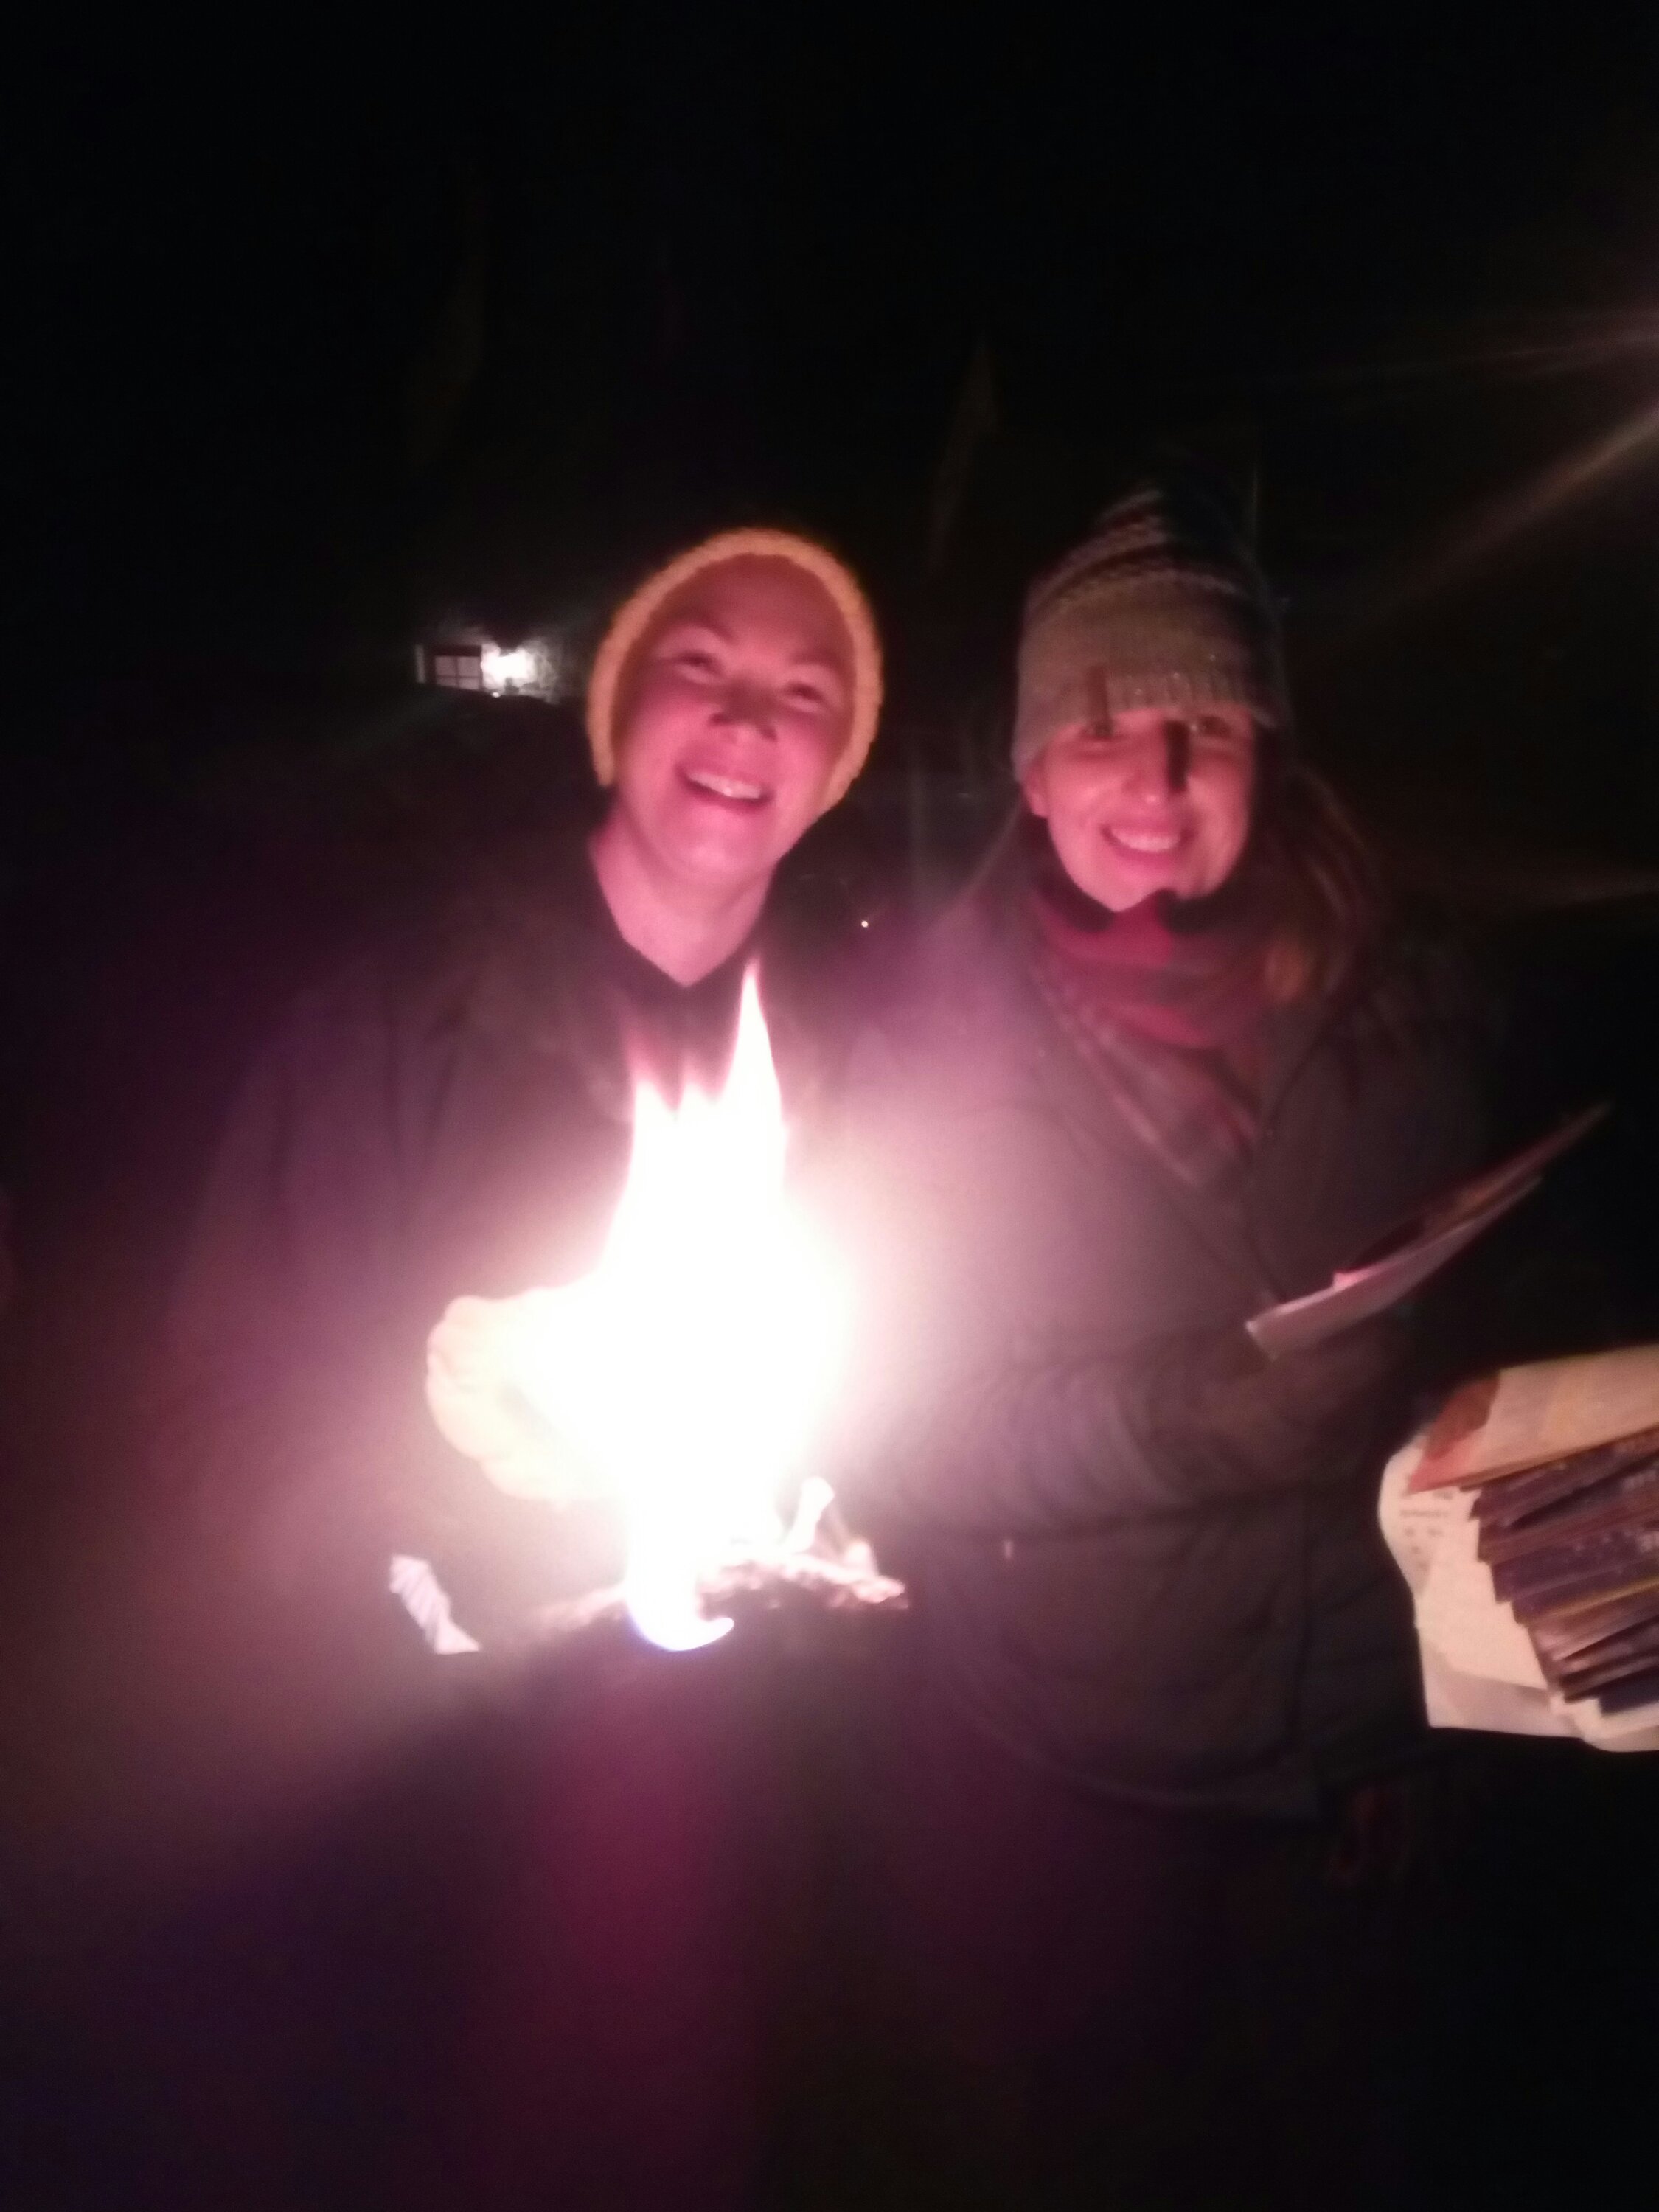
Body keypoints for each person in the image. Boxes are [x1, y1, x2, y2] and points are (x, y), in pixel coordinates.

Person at [158, 528, 884, 2208]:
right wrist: (429, 1530)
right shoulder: (400, 1021)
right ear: (617, 708)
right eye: (700, 664)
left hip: (738, 1845)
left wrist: (829, 1536)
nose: (747, 719)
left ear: (839, 763)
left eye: (804, 692)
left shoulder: (857, 1060)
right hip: (438, 1832)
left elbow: (884, 1411)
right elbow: (218, 1420)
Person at [830, 476, 1484, 2207]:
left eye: (1207, 724)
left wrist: (1386, 1731)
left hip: (1346, 1766)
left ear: (1270, 750)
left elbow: (1459, 1360)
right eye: (1103, 729)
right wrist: (1186, 1420)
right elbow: (897, 1432)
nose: (1158, 778)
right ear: (1033, 772)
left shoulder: (1407, 991)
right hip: (1071, 1773)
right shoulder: (928, 1052)